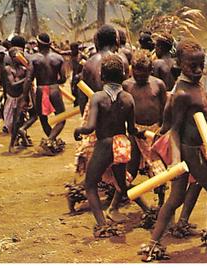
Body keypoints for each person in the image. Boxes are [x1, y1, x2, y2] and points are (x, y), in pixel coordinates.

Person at [139, 39, 207, 262]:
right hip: (189, 151)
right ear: (180, 64)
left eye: (201, 65)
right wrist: (176, 160)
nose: (198, 70)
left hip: (197, 147)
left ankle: (154, 243)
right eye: (192, 66)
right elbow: (174, 130)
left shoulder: (198, 85)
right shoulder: (182, 93)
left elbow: (206, 115)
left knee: (175, 199)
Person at [73, 54, 145, 237]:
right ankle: (148, 208)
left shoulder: (98, 97)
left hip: (105, 144)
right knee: (121, 184)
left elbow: (90, 128)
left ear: (101, 76)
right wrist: (143, 135)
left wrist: (78, 131)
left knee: (90, 185)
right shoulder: (128, 98)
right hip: (122, 144)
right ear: (123, 76)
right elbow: (133, 129)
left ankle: (103, 224)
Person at [119, 50, 167, 213]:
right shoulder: (127, 85)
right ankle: (116, 202)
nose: (140, 78)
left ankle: (161, 203)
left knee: (158, 169)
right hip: (134, 130)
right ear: (132, 70)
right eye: (137, 75)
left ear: (150, 71)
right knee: (129, 169)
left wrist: (162, 129)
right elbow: (123, 108)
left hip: (154, 132)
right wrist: (130, 129)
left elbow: (165, 109)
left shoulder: (158, 84)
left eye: (144, 75)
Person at [23, 33, 67, 155]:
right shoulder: (58, 58)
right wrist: (54, 81)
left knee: (43, 119)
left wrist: (24, 97)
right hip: (54, 89)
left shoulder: (34, 59)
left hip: (41, 89)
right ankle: (51, 140)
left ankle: (50, 140)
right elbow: (63, 78)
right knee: (62, 118)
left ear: (38, 44)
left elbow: (28, 79)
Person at [80, 25, 129, 115]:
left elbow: (83, 95)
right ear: (116, 41)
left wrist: (85, 116)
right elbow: (126, 89)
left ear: (97, 42)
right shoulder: (122, 60)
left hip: (96, 113)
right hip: (117, 113)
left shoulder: (89, 63)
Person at [2, 47, 28, 152]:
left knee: (18, 121)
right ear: (12, 58)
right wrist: (27, 78)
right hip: (11, 97)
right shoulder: (8, 69)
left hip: (21, 97)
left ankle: (12, 144)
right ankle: (21, 137)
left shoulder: (24, 69)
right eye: (17, 55)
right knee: (9, 123)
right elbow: (12, 84)